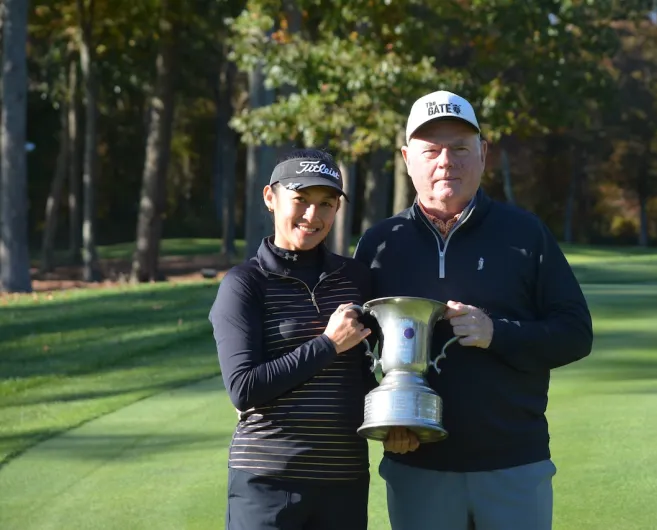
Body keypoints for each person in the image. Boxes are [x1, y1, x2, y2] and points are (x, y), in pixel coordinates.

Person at [353, 90, 594, 530]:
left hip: (513, 465)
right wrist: (387, 425)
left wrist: (495, 333)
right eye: (431, 151)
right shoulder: (379, 245)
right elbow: (357, 351)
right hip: (418, 468)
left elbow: (575, 332)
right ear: (408, 158)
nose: (446, 162)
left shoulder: (525, 235)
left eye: (460, 148)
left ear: (483, 154)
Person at [209, 148, 378, 530]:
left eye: (326, 204)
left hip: (344, 478)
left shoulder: (356, 279)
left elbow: (367, 373)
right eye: (300, 200)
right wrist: (328, 344)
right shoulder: (244, 284)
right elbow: (244, 387)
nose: (312, 216)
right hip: (267, 480)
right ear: (270, 198)